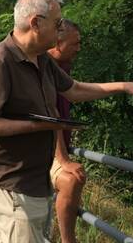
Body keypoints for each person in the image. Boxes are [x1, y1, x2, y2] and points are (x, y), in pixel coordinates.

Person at [0, 0, 133, 243]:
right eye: (57, 23)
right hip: (9, 183)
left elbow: (73, 90)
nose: (60, 29)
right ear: (36, 23)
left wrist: (123, 86)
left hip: (34, 182)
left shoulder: (41, 59)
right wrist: (36, 126)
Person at [46, 20, 84, 243]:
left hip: (52, 148)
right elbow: (51, 117)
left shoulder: (63, 66)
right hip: (46, 150)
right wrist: (63, 158)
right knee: (72, 180)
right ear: (57, 44)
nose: (78, 48)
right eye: (75, 44)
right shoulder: (46, 67)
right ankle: (68, 240)